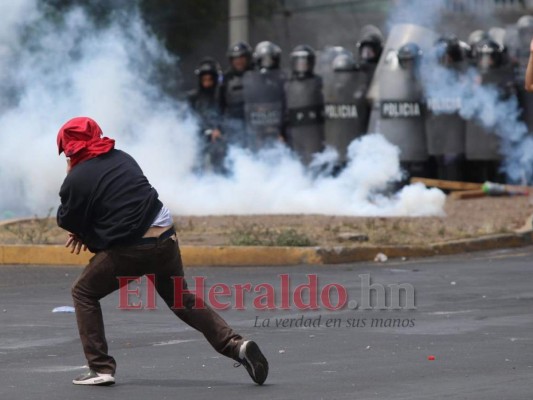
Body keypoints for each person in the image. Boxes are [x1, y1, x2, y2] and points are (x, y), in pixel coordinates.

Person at [56, 117, 268, 386]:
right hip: (166, 237)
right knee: (183, 300)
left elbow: (68, 219)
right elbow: (118, 205)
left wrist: (71, 177)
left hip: (133, 248)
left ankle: (100, 368)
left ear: (69, 149)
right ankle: (236, 345)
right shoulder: (123, 158)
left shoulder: (76, 178)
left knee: (83, 292)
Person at [284, 44, 324, 165]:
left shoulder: (318, 82)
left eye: (305, 61)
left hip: (314, 129)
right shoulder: (288, 84)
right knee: (297, 162)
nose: (302, 65)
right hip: (294, 130)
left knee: (314, 161)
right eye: (299, 61)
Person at [188, 58, 226, 174]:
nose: (207, 83)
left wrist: (219, 129)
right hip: (199, 135)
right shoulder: (194, 97)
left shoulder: (222, 95)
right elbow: (190, 118)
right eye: (204, 79)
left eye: (210, 79)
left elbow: (227, 115)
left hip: (219, 137)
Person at [220, 42, 253, 147]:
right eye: (236, 58)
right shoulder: (225, 79)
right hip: (234, 126)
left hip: (255, 123)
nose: (239, 61)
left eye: (242, 57)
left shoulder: (257, 75)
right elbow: (219, 104)